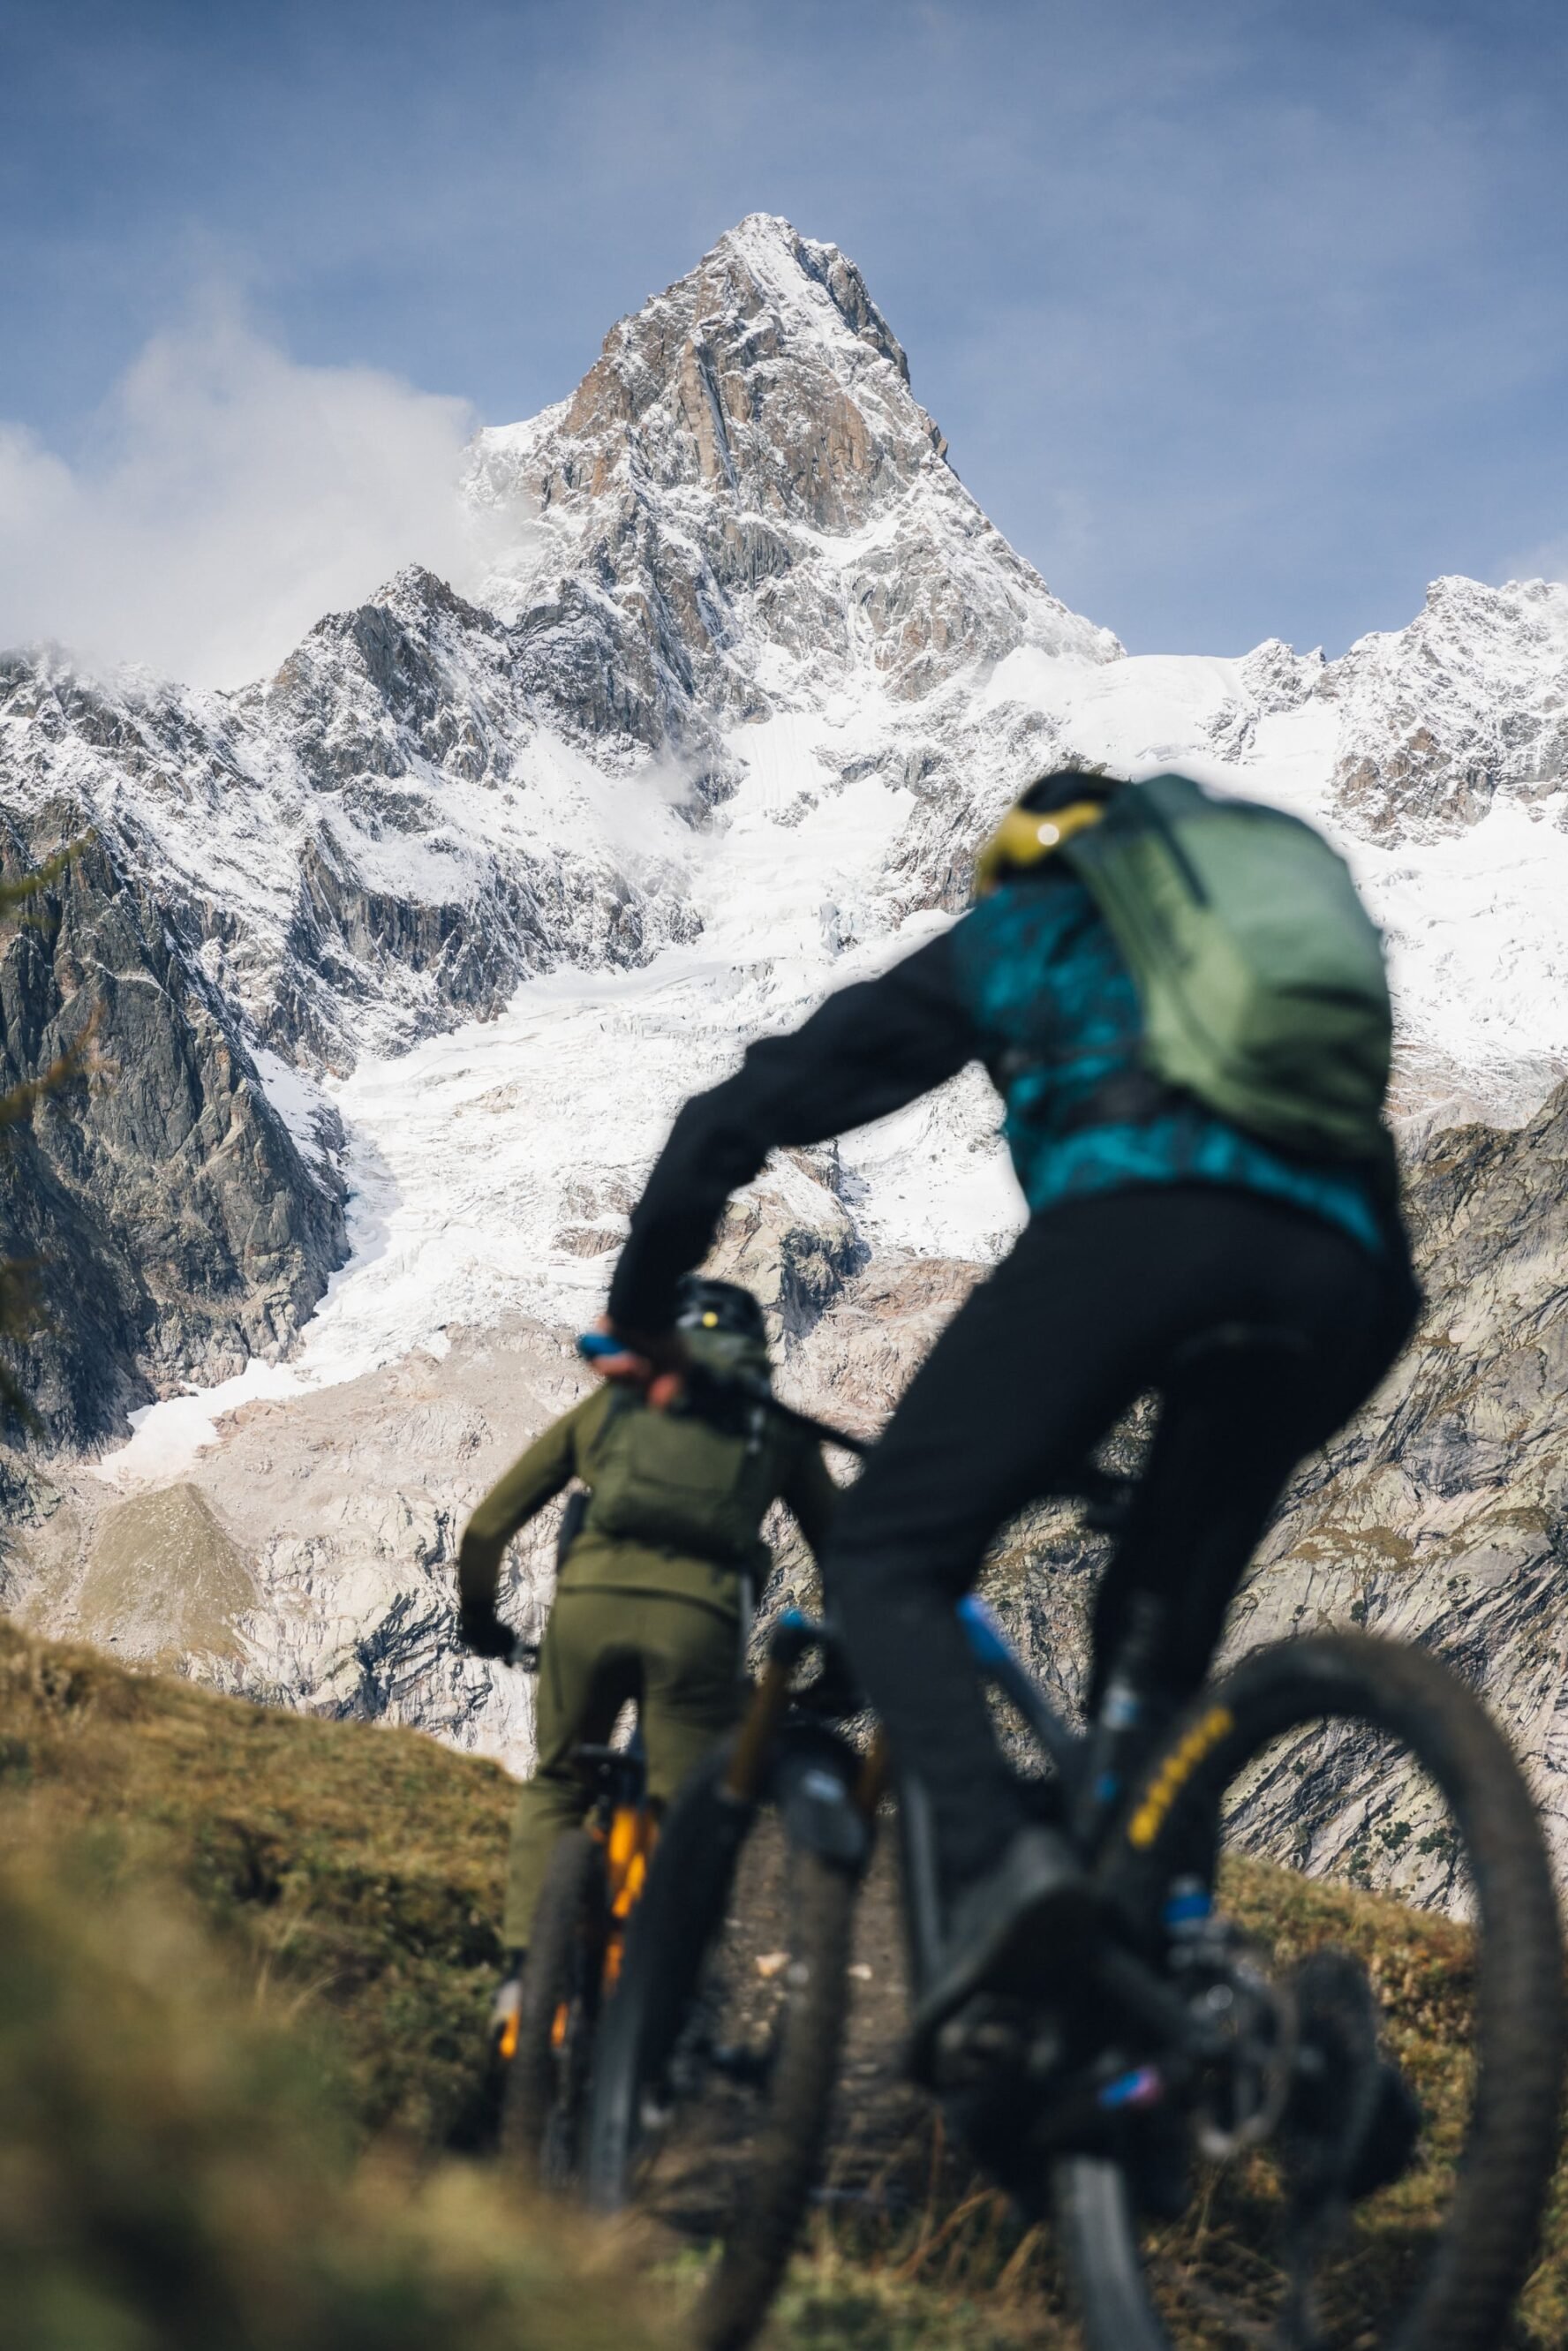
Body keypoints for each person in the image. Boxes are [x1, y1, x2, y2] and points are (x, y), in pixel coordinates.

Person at [596, 770, 1420, 2075]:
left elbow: (741, 1114)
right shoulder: (1238, 953)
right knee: (1153, 1630)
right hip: (1357, 1273)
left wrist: (644, 1314)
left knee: (885, 1553)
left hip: (1146, 1229)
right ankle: (1161, 2007)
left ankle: (996, 1876)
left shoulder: (1028, 925)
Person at [456, 1275, 839, 2037]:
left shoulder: (618, 1402)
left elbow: (489, 1524)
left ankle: (520, 1981)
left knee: (560, 1785)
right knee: (682, 1814)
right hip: (698, 1628)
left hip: (588, 1612)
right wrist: (838, 1680)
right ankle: (657, 2016)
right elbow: (847, 1558)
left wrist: (482, 1622)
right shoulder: (774, 1429)